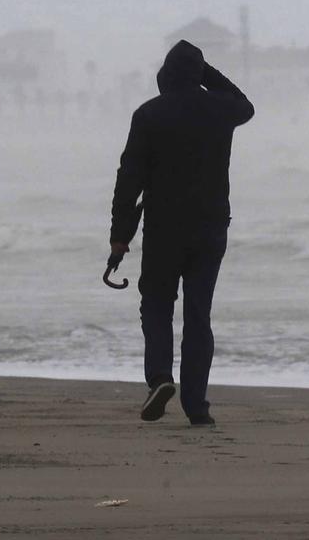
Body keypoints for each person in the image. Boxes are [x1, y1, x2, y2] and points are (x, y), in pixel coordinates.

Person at [109, 39, 255, 424]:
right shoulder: (221, 109)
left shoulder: (149, 115)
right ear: (198, 74)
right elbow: (246, 104)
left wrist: (119, 237)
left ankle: (159, 377)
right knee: (198, 316)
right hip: (210, 228)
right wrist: (205, 72)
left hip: (164, 229)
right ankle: (197, 407)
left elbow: (129, 179)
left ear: (165, 75)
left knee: (156, 303)